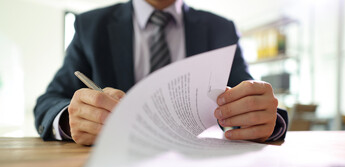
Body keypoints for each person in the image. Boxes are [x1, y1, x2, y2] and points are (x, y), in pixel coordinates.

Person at [34, 0, 288, 146]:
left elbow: (248, 97)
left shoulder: (220, 29)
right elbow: (49, 101)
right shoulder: (90, 26)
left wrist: (265, 118)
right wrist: (70, 119)